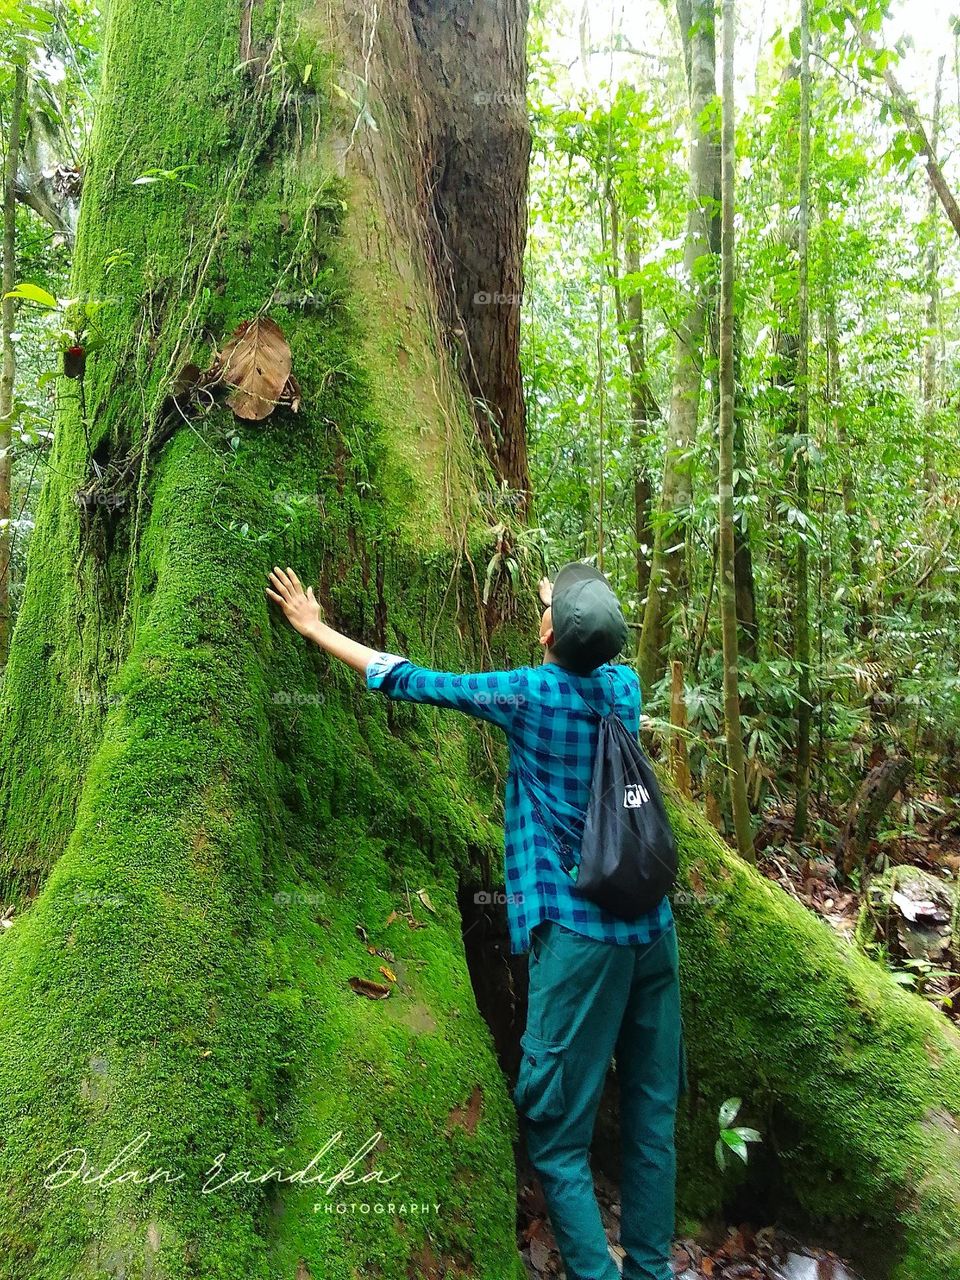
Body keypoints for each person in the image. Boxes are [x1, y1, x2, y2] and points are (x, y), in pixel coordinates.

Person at [266, 561, 684, 1280]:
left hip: (581, 939)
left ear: (549, 632)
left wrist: (313, 626)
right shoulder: (624, 687)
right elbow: (589, 635)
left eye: (547, 603)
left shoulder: (527, 694)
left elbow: (408, 678)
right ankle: (651, 1270)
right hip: (653, 930)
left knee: (554, 1131)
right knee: (651, 1114)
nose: (540, 604)